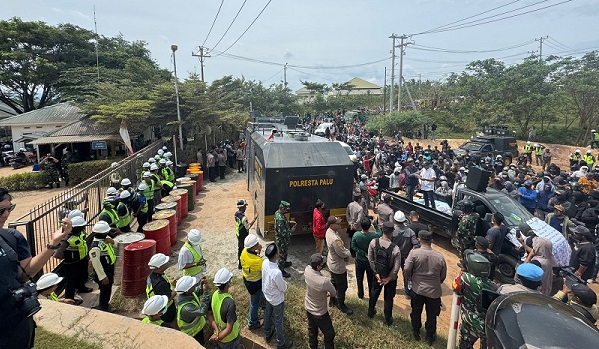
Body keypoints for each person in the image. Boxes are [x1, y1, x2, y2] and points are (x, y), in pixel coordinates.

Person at [404, 230, 447, 345]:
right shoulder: (440, 257)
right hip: (434, 292)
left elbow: (407, 269)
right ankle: (430, 336)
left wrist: (409, 279)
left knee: (416, 311)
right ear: (432, 241)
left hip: (417, 290)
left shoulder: (414, 253)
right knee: (432, 315)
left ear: (419, 240)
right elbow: (443, 276)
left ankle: (416, 331)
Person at [453, 252, 497, 349]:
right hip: (487, 325)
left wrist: (463, 271)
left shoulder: (467, 279)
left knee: (465, 344)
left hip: (470, 321)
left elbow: (455, 286)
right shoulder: (494, 286)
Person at [367, 221, 401, 326]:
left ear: (382, 230)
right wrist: (389, 278)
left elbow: (371, 259)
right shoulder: (395, 249)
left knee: (374, 292)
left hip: (378, 275)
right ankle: (387, 319)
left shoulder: (373, 242)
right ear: (392, 232)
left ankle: (370, 312)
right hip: (389, 279)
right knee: (388, 298)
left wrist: (376, 273)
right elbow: (396, 267)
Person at [52, 215, 92, 304]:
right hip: (71, 263)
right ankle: (70, 299)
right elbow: (57, 254)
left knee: (82, 275)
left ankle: (81, 287)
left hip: (81, 259)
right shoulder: (67, 239)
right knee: (70, 282)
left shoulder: (80, 234)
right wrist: (68, 256)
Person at [262, 244, 293, 348]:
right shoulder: (277, 272)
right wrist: (285, 287)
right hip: (276, 299)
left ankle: (267, 332)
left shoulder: (265, 262)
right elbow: (283, 288)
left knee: (268, 313)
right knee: (279, 321)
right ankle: (281, 342)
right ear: (276, 255)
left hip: (267, 295)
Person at [304, 254, 336, 349]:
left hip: (308, 307)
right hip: (320, 313)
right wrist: (327, 293)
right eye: (322, 263)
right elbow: (333, 293)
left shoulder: (307, 270)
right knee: (330, 334)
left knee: (312, 330)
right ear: (318, 267)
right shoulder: (324, 281)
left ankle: (313, 347)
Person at [326, 216, 353, 315]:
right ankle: (341, 305)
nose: (339, 224)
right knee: (342, 286)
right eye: (337, 223)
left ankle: (332, 301)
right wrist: (349, 253)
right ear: (332, 225)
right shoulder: (334, 239)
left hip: (331, 262)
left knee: (333, 283)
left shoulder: (329, 232)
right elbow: (342, 253)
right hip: (338, 265)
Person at [210, 268, 241, 348]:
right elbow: (229, 329)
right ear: (228, 283)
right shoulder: (230, 303)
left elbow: (209, 314)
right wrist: (218, 337)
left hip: (219, 336)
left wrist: (217, 332)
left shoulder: (214, 294)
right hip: (230, 340)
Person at [89, 221, 116, 311]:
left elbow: (115, 245)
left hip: (109, 268)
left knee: (108, 288)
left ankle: (106, 304)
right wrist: (102, 276)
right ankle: (103, 306)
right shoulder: (95, 247)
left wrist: (112, 242)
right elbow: (96, 263)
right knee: (104, 289)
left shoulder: (106, 239)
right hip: (103, 271)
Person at [176, 275, 212, 344]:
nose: (194, 285)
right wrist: (206, 293)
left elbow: (196, 292)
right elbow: (202, 311)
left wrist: (201, 285)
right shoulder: (186, 308)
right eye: (192, 285)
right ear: (187, 290)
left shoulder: (186, 295)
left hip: (197, 329)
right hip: (193, 334)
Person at [351, 218, 380, 299]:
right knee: (370, 279)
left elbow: (353, 246)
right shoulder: (373, 235)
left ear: (361, 226)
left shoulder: (356, 235)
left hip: (359, 260)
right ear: (369, 226)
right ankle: (371, 296)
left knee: (359, 278)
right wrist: (375, 224)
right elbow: (380, 233)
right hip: (370, 261)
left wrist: (362, 253)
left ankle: (360, 295)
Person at [392, 211, 419, 298]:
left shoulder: (392, 231)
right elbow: (416, 245)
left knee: (393, 272)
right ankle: (407, 293)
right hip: (406, 257)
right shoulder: (410, 232)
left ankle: (392, 290)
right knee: (407, 274)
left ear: (395, 221)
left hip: (394, 256)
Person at [239, 235, 264, 330]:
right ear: (253, 247)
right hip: (255, 283)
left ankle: (262, 301)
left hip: (247, 279)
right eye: (257, 244)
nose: (259, 244)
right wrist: (259, 252)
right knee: (254, 302)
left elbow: (253, 258)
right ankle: (252, 322)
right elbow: (262, 270)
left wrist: (258, 251)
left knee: (257, 297)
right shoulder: (257, 261)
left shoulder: (244, 252)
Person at [146, 253, 177, 326]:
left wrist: (171, 283)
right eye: (165, 262)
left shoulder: (153, 276)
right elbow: (167, 299)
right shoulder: (160, 284)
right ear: (159, 267)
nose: (167, 262)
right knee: (171, 325)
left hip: (157, 307)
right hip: (166, 311)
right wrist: (177, 290)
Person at [274, 201, 295, 278]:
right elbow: (282, 233)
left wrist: (288, 222)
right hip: (282, 240)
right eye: (285, 209)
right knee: (282, 255)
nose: (286, 211)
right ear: (282, 208)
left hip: (282, 240)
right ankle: (281, 270)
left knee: (284, 253)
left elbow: (283, 224)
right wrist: (291, 231)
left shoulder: (278, 213)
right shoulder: (280, 219)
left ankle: (284, 263)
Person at [235, 199, 256, 270]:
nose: (246, 208)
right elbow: (248, 226)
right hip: (243, 236)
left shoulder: (236, 214)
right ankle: (243, 264)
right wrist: (255, 219)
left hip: (238, 234)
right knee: (245, 250)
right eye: (245, 206)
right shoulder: (243, 218)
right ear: (242, 207)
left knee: (240, 249)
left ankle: (240, 265)